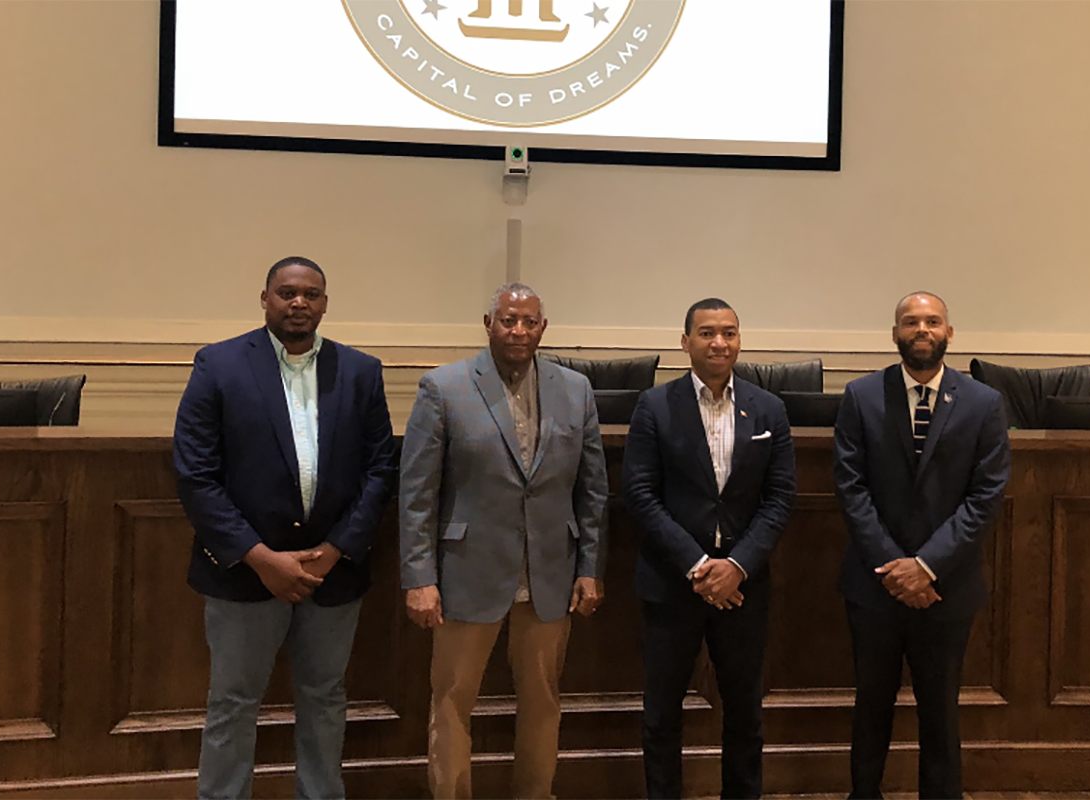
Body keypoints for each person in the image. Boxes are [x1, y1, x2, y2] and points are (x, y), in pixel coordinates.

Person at [174, 256, 396, 800]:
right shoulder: (219, 365)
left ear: (325, 303)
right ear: (265, 298)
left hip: (332, 572)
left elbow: (381, 467)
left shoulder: (360, 371)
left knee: (325, 696)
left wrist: (337, 548)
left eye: (312, 294)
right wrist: (259, 556)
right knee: (233, 700)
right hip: (246, 570)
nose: (300, 303)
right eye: (288, 292)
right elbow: (195, 473)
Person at [399, 282, 609, 800]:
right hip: (466, 573)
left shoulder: (576, 389)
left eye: (529, 321)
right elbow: (417, 494)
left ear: (543, 327)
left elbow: (593, 489)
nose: (519, 330)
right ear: (488, 323)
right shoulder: (443, 387)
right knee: (452, 702)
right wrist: (420, 578)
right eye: (509, 320)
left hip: (550, 574)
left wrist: (589, 567)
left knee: (543, 700)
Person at [833, 291, 1010, 800]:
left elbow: (985, 496)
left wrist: (927, 567)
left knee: (941, 709)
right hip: (874, 586)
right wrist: (896, 568)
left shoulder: (983, 402)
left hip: (947, 587)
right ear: (895, 335)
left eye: (933, 321)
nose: (922, 330)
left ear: (950, 333)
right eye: (911, 322)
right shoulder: (862, 396)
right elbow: (851, 488)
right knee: (871, 704)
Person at [622, 298, 796, 800]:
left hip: (744, 587)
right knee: (662, 714)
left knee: (745, 713)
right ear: (685, 342)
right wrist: (699, 565)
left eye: (729, 332)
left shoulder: (769, 409)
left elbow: (781, 497)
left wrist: (737, 566)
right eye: (706, 333)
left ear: (740, 340)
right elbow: (639, 493)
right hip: (672, 584)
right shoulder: (655, 406)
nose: (719, 342)